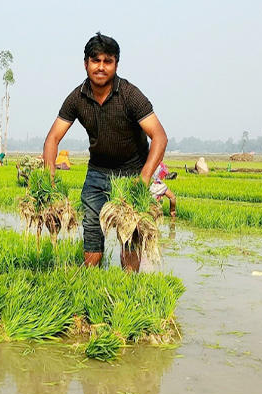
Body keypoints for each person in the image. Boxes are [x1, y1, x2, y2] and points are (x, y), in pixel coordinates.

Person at [42, 32, 168, 272]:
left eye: (107, 61)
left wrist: (143, 179)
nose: (101, 67)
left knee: (130, 235)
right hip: (97, 173)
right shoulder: (77, 98)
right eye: (95, 60)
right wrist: (49, 180)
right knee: (91, 228)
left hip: (132, 173)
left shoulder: (130, 95)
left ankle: (128, 286)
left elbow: (159, 136)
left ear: (116, 65)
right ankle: (91, 280)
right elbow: (53, 138)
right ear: (86, 64)